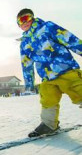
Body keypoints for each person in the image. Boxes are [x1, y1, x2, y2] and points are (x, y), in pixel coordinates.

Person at [17, 8, 82, 137]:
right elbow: (26, 65)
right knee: (47, 99)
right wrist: (29, 83)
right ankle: (49, 124)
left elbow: (70, 39)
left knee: (79, 90)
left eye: (26, 18)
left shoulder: (47, 27)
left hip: (65, 69)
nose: (24, 22)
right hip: (47, 77)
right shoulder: (24, 44)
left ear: (32, 17)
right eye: (20, 21)